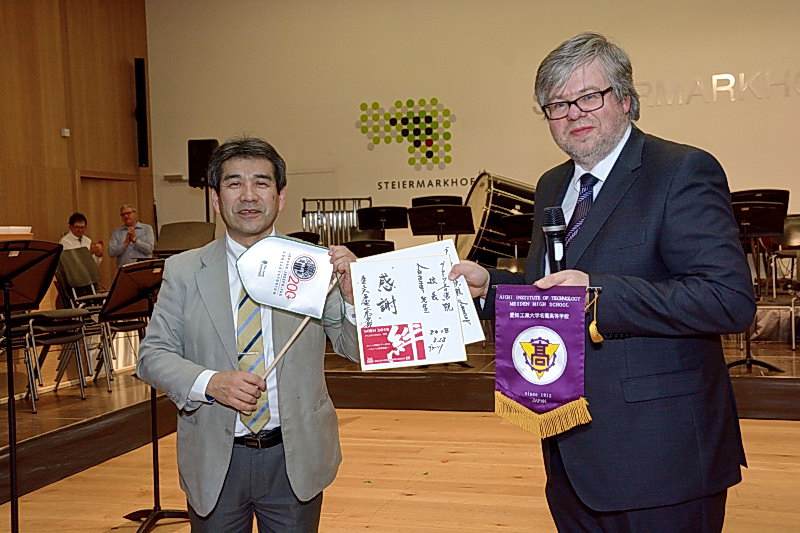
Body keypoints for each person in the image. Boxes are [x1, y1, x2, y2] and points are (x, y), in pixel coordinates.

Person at [450, 32, 755, 532]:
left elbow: (727, 300)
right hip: (569, 451)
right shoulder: (552, 184)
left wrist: (597, 296)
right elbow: (553, 293)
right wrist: (492, 290)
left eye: (589, 96)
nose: (574, 113)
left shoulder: (681, 169)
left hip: (663, 457)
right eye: (557, 104)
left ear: (627, 99)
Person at [136, 136, 360, 532]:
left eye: (261, 182)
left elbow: (355, 349)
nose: (248, 195)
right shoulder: (184, 271)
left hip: (295, 459)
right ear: (216, 198)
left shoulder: (313, 267)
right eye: (234, 183)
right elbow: (152, 355)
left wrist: (353, 298)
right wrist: (210, 383)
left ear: (281, 196)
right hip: (214, 459)